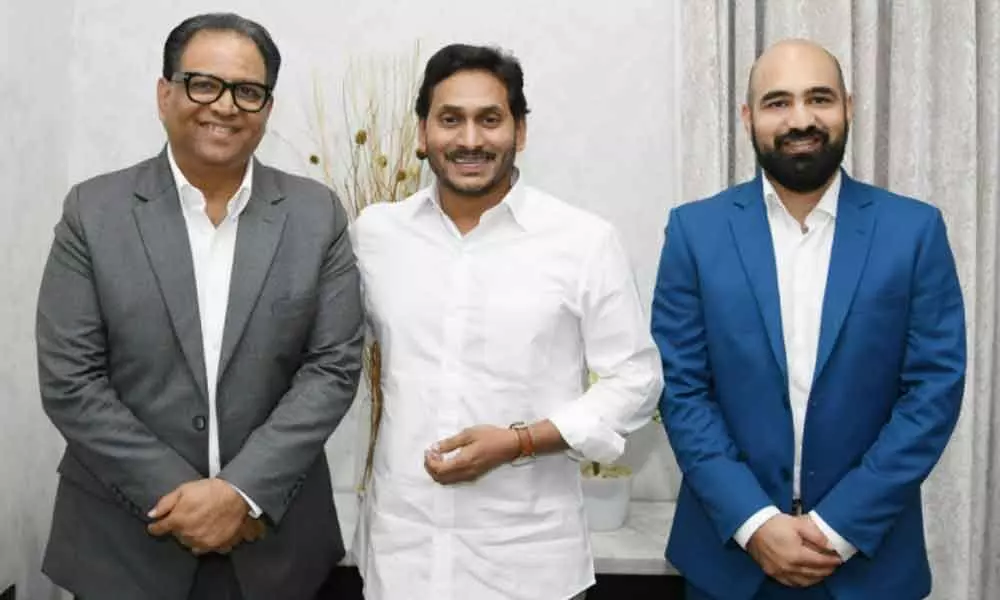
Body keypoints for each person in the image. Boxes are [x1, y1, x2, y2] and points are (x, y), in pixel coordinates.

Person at [36, 12, 364, 600]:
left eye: (248, 91)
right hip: (123, 546)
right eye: (202, 83)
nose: (225, 105)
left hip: (274, 544)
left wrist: (239, 493)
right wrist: (184, 500)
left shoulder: (318, 216)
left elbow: (332, 368)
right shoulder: (94, 211)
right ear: (165, 94)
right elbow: (70, 380)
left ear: (266, 106)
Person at [652, 39, 966, 599]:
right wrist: (754, 522)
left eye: (818, 99)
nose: (801, 119)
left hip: (869, 564)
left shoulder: (914, 233)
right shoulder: (693, 234)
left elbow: (933, 391)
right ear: (748, 118)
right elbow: (682, 392)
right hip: (730, 564)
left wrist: (837, 526)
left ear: (848, 106)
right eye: (777, 103)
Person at [350, 43, 663, 600]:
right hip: (402, 559)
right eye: (451, 120)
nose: (470, 140)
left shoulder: (583, 241)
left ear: (519, 131)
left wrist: (520, 442)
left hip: (529, 566)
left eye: (489, 120)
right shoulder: (375, 235)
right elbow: (327, 361)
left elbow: (635, 382)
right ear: (422, 132)